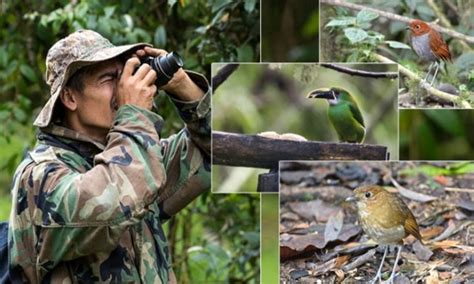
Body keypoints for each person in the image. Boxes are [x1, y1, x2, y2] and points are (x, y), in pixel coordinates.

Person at [8, 29, 210, 283]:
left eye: (122, 76)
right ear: (70, 97)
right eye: (108, 79)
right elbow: (114, 202)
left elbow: (219, 149)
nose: (124, 87)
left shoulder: (138, 159)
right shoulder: (40, 177)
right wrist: (134, 113)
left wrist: (181, 84)